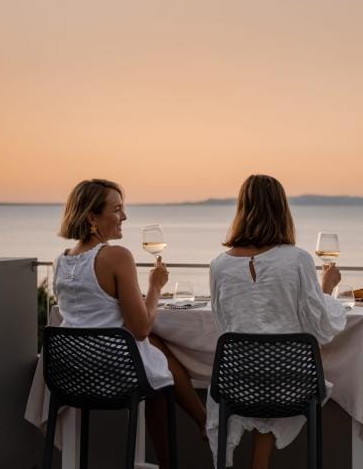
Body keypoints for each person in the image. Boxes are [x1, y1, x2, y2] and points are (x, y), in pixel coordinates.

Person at [54, 179, 207, 469]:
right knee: (156, 367)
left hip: (70, 370)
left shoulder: (61, 261)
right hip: (110, 371)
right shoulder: (117, 257)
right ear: (92, 218)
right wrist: (156, 286)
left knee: (155, 353)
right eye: (117, 209)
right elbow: (140, 328)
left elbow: (92, 312)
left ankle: (200, 422)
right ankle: (185, 442)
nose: (124, 217)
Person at [207, 174, 347, 469]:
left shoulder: (218, 266)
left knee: (263, 363)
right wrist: (327, 287)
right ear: (283, 210)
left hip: (238, 382)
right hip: (291, 385)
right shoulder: (298, 260)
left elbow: (224, 326)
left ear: (241, 210)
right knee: (292, 358)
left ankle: (259, 462)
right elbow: (321, 326)